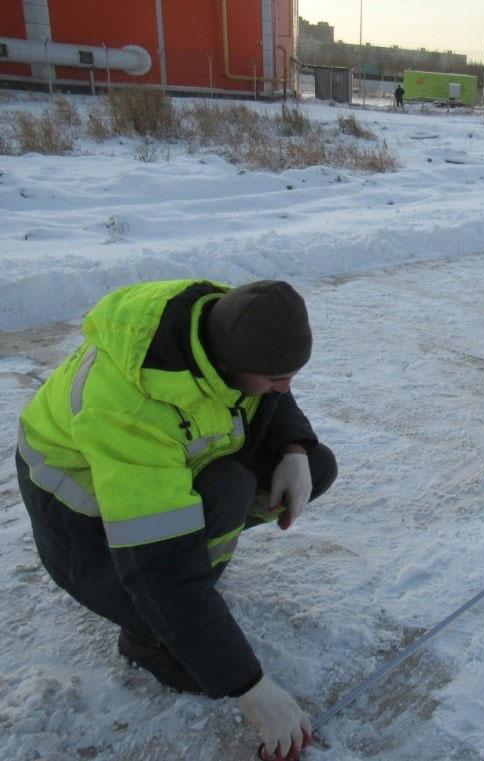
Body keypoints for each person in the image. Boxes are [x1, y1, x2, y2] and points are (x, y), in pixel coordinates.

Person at [15, 279, 338, 760]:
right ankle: (145, 636)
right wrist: (248, 687)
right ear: (228, 364)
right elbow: (160, 567)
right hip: (80, 521)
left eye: (292, 373)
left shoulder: (225, 319)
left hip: (157, 467)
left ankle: (193, 587)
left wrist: (294, 447)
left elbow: (265, 393)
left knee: (315, 466)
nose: (287, 387)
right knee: (224, 496)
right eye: (276, 378)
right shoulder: (129, 409)